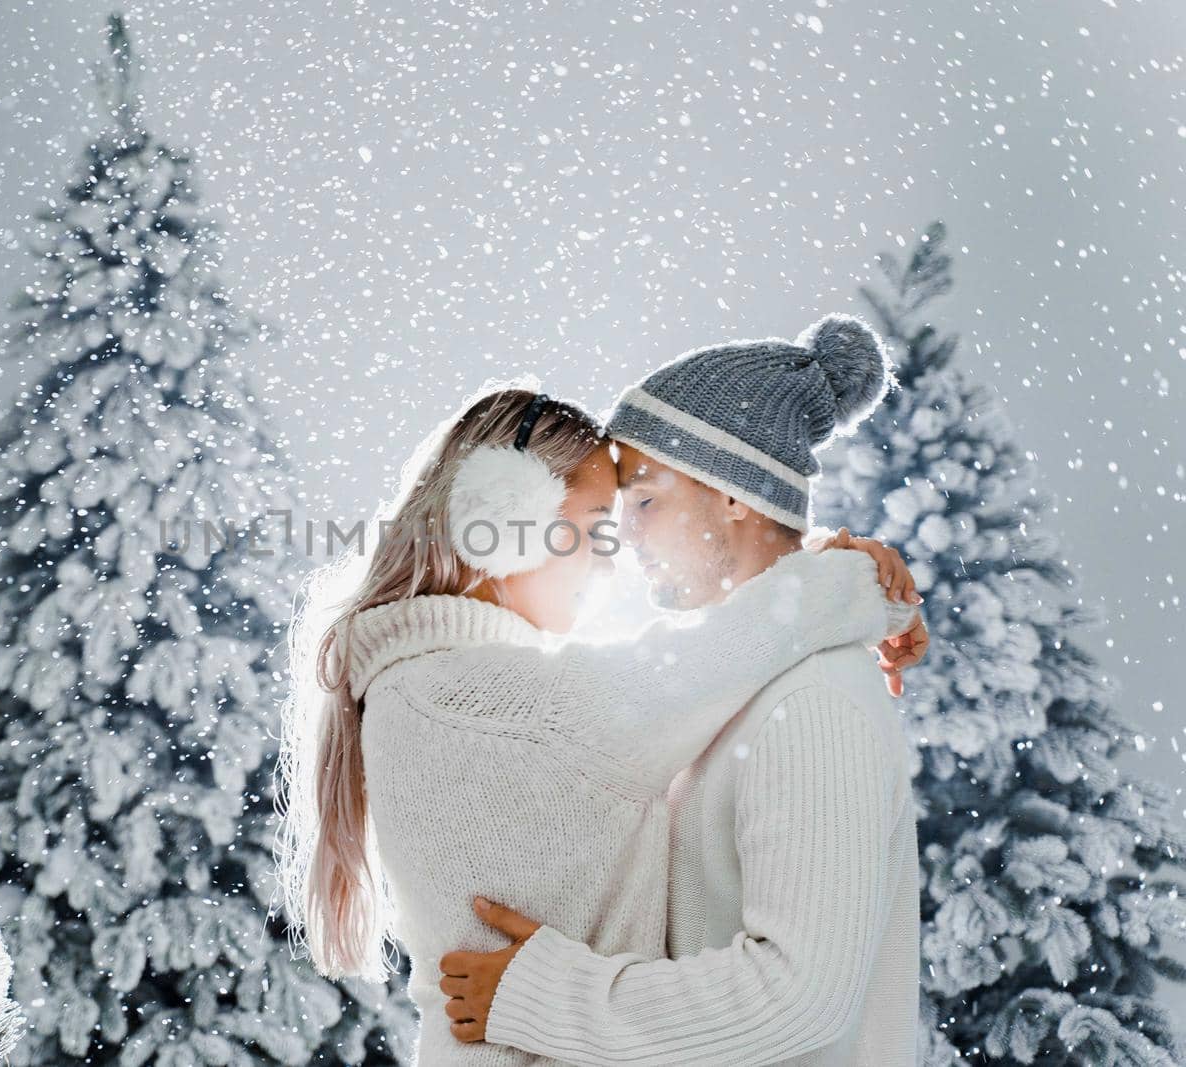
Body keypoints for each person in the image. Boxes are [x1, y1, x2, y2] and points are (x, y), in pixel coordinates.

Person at [274, 372, 925, 1066]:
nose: (610, 559)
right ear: (503, 518)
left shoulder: (427, 686)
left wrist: (826, 577)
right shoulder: (482, 702)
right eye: (591, 528)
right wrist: (860, 584)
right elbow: (717, 653)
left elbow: (718, 654)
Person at [442, 315, 928, 1064]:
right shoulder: (726, 687)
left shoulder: (813, 702)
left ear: (734, 496)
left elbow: (799, 996)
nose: (622, 536)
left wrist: (548, 996)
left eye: (644, 500)